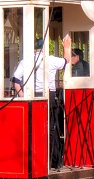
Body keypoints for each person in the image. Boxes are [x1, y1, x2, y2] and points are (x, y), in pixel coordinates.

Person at [12, 35, 71, 169]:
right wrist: (66, 47)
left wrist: (23, 95)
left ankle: (34, 160)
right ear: (44, 48)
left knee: (33, 128)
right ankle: (53, 160)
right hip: (48, 96)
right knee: (52, 128)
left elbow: (16, 81)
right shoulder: (50, 60)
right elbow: (66, 61)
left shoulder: (25, 61)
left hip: (31, 97)